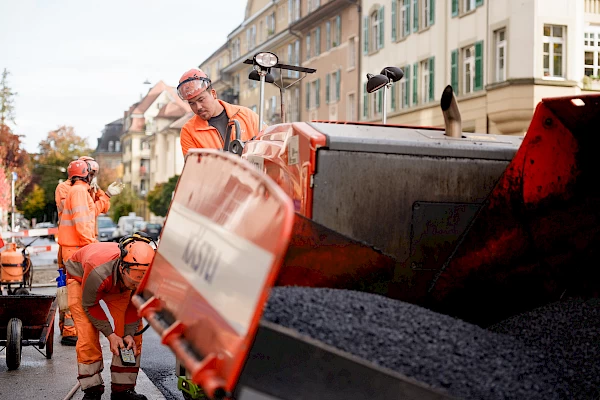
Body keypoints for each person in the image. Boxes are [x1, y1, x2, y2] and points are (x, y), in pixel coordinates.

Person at [64, 233, 155, 400]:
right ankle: (92, 390)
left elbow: (135, 303)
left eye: (140, 284)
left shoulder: (144, 272)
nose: (136, 287)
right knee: (88, 335)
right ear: (122, 268)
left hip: (117, 284)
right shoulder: (98, 271)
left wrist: (127, 333)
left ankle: (122, 390)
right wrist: (110, 335)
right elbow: (90, 305)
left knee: (133, 336)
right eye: (134, 283)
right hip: (81, 280)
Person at [57, 159, 123, 345]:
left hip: (79, 245)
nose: (93, 177)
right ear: (85, 172)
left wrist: (105, 194)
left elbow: (95, 210)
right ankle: (71, 332)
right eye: (91, 173)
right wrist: (91, 247)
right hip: (76, 247)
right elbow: (82, 219)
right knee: (75, 294)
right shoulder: (73, 190)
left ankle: (73, 330)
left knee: (76, 292)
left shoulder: (82, 190)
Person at [176, 68, 267, 156]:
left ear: (213, 94)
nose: (198, 107)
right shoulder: (189, 131)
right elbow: (193, 168)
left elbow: (269, 144)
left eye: (201, 99)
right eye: (192, 103)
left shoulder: (247, 115)